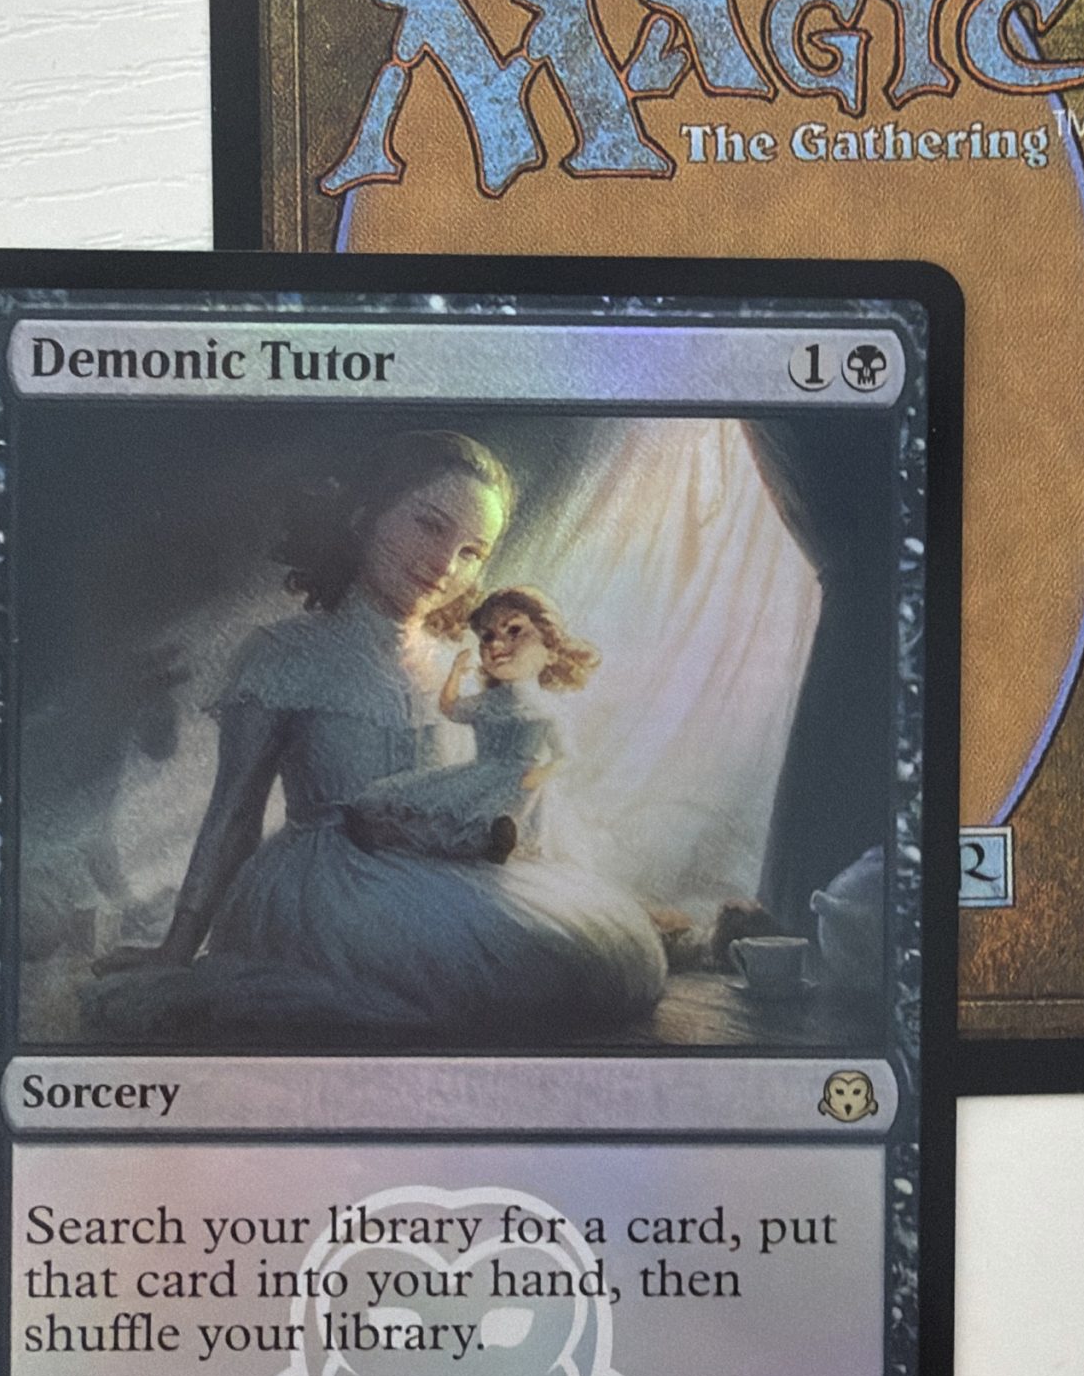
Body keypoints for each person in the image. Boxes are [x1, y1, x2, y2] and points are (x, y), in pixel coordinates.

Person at [86, 431, 665, 1040]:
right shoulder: (285, 655)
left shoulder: (461, 668)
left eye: (472, 552)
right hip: (325, 890)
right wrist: (177, 949)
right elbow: (233, 816)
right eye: (429, 525)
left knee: (607, 958)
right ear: (366, 513)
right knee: (494, 974)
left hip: (439, 877)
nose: (445, 564)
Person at [344, 585, 596, 865]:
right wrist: (455, 674)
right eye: (487, 637)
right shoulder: (487, 702)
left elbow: (567, 756)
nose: (495, 645)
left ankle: (498, 839)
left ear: (550, 650)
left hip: (524, 786)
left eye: (514, 630)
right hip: (478, 776)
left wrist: (541, 774)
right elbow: (451, 708)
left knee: (507, 811)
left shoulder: (548, 709)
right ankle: (386, 830)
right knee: (434, 807)